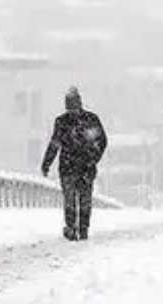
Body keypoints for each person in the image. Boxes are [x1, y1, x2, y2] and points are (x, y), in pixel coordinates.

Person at [41, 86, 107, 241]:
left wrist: (93, 159)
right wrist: (46, 163)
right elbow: (55, 144)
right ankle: (73, 227)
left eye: (74, 107)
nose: (72, 111)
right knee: (74, 199)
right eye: (70, 108)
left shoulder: (73, 121)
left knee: (81, 199)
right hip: (76, 167)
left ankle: (81, 228)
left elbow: (101, 141)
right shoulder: (87, 120)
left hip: (78, 166)